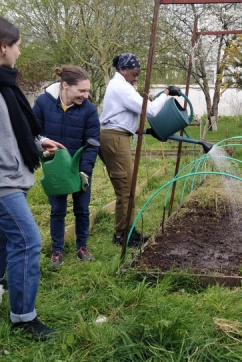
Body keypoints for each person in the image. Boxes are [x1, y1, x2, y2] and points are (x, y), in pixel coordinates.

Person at [0, 16, 65, 340]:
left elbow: (14, 131)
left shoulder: (6, 86)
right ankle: (24, 319)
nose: (20, 53)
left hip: (13, 176)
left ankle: (2, 289)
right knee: (27, 241)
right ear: (3, 47)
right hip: (3, 184)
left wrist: (39, 143)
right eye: (18, 46)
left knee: (4, 240)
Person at [99, 53, 180, 247]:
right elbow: (150, 110)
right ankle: (122, 235)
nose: (136, 79)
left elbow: (120, 118)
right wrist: (166, 93)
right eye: (134, 74)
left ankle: (127, 230)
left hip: (117, 136)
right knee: (126, 189)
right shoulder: (121, 87)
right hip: (115, 139)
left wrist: (146, 131)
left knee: (127, 188)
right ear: (123, 70)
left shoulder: (120, 86)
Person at [33, 66, 100, 267]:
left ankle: (82, 247)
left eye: (87, 91)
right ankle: (57, 251)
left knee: (82, 209)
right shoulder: (44, 103)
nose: (85, 95)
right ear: (65, 86)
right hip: (55, 168)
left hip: (79, 167)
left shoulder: (88, 109)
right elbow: (33, 132)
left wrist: (85, 171)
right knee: (57, 210)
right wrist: (43, 152)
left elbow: (92, 142)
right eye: (81, 90)